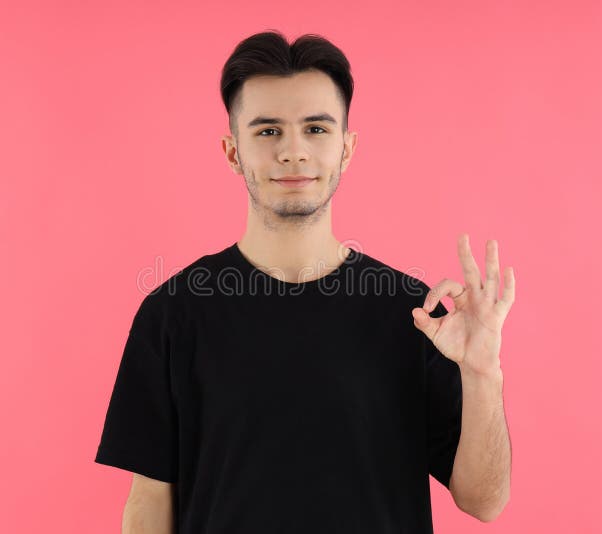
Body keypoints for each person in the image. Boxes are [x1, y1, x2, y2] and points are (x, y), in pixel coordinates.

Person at [95, 30, 514, 534]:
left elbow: (484, 501)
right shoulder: (173, 312)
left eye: (316, 129)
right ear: (233, 152)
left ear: (347, 148)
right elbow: (148, 501)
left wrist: (483, 373)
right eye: (268, 131)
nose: (293, 152)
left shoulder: (416, 314)